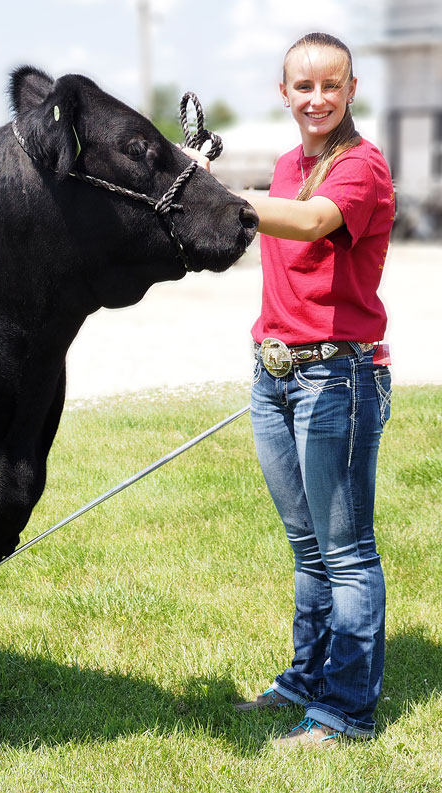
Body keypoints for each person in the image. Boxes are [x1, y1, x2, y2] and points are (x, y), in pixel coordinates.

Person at [189, 32, 395, 748]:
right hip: (274, 374)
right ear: (284, 94)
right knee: (308, 548)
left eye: (329, 86)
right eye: (302, 87)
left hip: (337, 378)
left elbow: (310, 220)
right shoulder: (284, 164)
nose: (316, 98)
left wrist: (218, 194)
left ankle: (346, 713)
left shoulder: (361, 166)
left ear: (351, 90)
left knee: (346, 552)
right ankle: (307, 681)